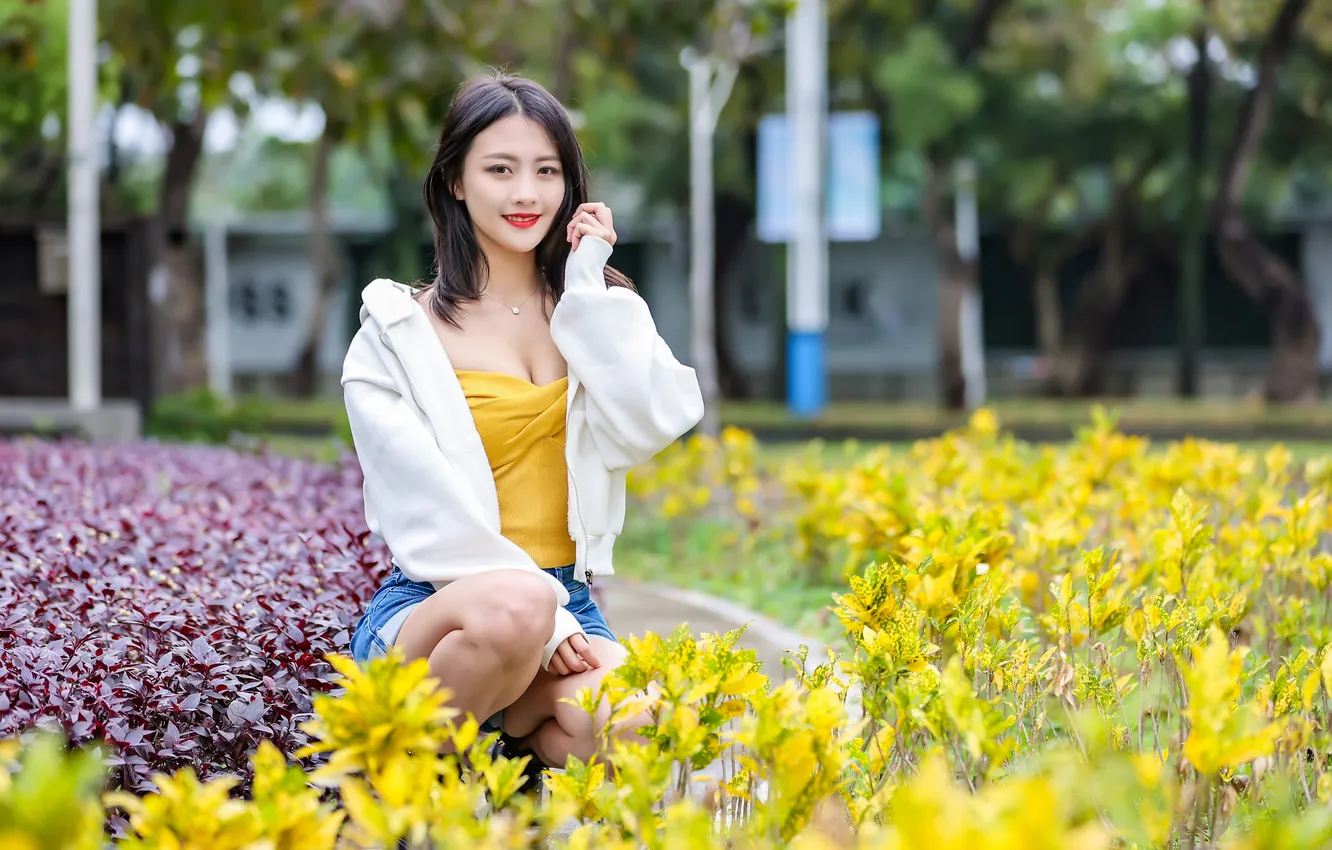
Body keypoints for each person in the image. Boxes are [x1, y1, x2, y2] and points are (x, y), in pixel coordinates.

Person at [342, 72, 705, 780]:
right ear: (454, 181)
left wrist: (588, 286)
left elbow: (653, 421)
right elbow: (427, 519)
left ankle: (505, 759)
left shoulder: (590, 311)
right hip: (442, 607)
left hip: (564, 598)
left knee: (644, 730)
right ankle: (391, 795)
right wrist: (547, 619)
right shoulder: (396, 334)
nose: (526, 194)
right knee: (517, 604)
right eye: (500, 169)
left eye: (547, 171)